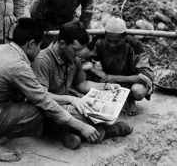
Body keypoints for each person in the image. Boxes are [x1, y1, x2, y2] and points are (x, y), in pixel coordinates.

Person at [0, 18, 101, 162]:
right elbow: (43, 100)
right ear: (31, 44)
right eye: (39, 45)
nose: (40, 50)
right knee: (37, 110)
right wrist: (81, 126)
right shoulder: (18, 66)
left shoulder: (2, 49)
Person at [32, 20, 133, 150]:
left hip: (65, 106)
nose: (78, 54)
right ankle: (106, 131)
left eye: (80, 50)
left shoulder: (73, 58)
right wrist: (71, 99)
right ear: (62, 43)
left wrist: (106, 87)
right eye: (75, 49)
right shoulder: (43, 61)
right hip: (47, 109)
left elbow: (82, 84)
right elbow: (41, 96)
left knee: (90, 109)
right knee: (80, 115)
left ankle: (67, 134)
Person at [79, 17, 154, 116]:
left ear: (124, 37)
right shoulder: (99, 40)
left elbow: (147, 77)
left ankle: (130, 100)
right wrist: (99, 73)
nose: (112, 45)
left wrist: (115, 78)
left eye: (116, 41)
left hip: (130, 80)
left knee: (138, 91)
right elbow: (80, 58)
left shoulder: (134, 44)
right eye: (109, 41)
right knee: (82, 74)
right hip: (106, 78)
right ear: (105, 36)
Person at [29, 0, 94, 48]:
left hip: (68, 19)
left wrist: (84, 34)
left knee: (70, 46)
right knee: (45, 47)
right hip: (47, 19)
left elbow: (87, 14)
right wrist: (40, 31)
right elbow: (37, 9)